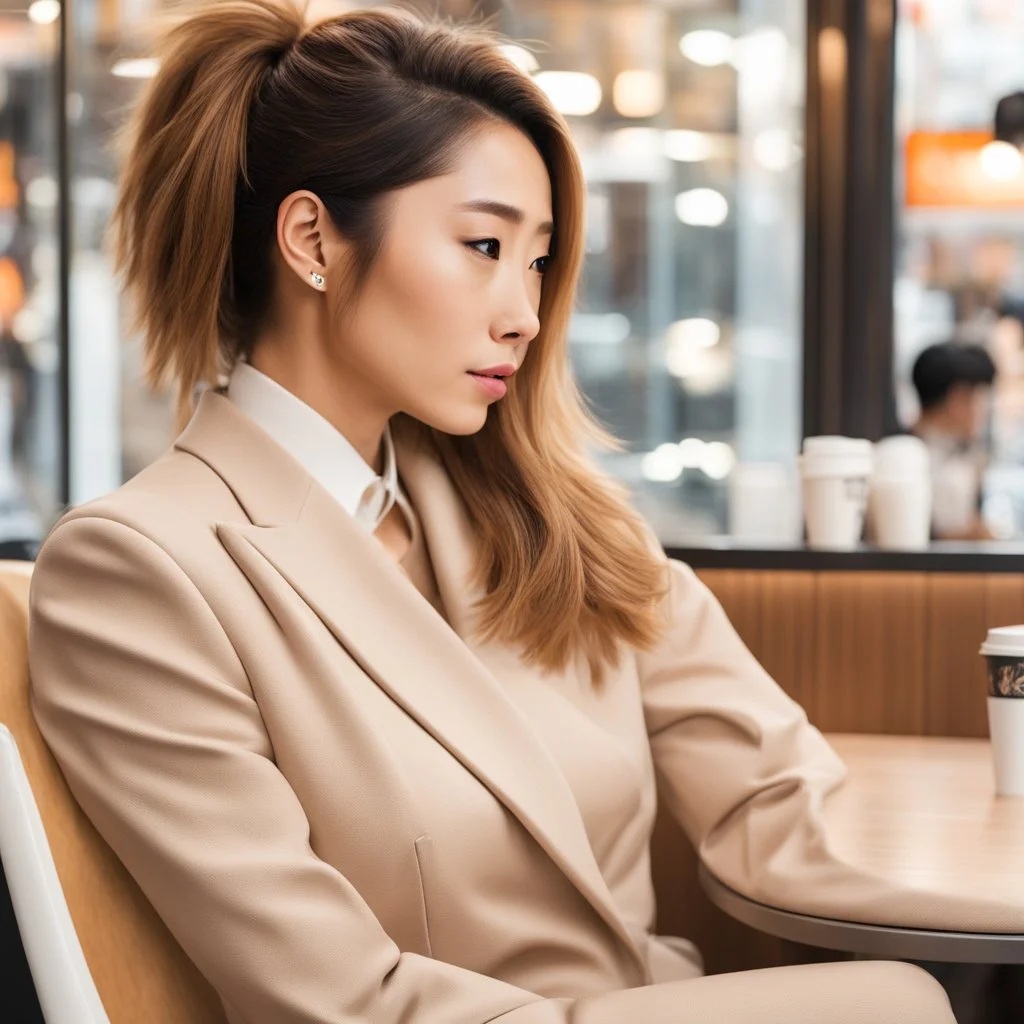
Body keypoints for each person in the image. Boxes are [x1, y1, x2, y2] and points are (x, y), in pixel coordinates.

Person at [26, 3, 956, 1022]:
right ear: (310, 240)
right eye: (482, 244)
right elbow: (338, 998)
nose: (524, 309)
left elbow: (777, 812)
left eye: (539, 259)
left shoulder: (546, 518)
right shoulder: (139, 569)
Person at [911, 341, 997, 540]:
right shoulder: (902, 455)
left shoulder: (971, 456)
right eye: (980, 397)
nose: (984, 410)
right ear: (958, 398)